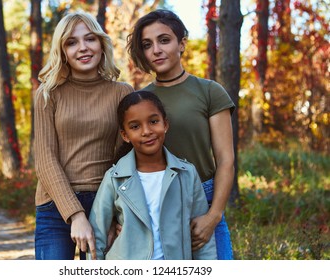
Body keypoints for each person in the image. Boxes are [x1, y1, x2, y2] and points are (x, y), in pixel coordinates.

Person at [126, 9, 235, 260]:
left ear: (181, 43)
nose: (156, 50)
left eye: (164, 40)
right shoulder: (141, 100)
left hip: (204, 201)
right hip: (155, 203)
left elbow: (225, 160)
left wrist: (213, 216)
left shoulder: (210, 91)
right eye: (147, 44)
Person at [34, 11, 133, 260]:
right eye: (72, 42)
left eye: (90, 39)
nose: (83, 48)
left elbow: (125, 159)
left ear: (101, 43)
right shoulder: (48, 94)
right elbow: (45, 159)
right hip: (54, 206)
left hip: (104, 202)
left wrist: (115, 213)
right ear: (63, 51)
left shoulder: (122, 93)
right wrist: (76, 215)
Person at [88, 91, 217, 260]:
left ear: (165, 124)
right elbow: (97, 235)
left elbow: (202, 238)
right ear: (125, 135)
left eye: (153, 122)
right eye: (135, 127)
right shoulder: (115, 178)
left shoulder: (187, 174)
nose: (146, 131)